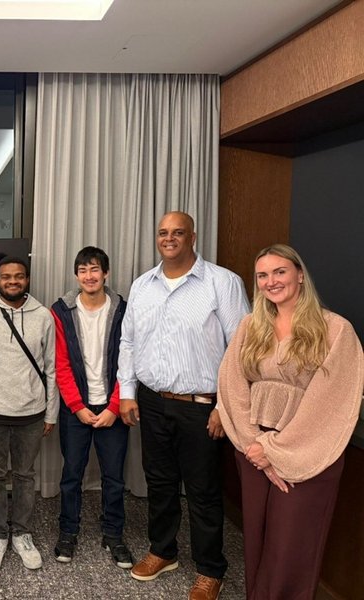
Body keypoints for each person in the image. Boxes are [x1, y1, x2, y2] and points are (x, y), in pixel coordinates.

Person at [217, 244, 363, 600]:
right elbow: (231, 383)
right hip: (252, 448)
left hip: (309, 450)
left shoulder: (335, 330)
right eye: (262, 275)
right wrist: (255, 444)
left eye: (279, 271)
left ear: (299, 275)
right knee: (257, 540)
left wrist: (276, 450)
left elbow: (331, 401)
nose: (271, 281)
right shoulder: (251, 326)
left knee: (290, 548)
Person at [117, 212, 249, 600]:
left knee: (203, 489)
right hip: (152, 400)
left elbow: (242, 349)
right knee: (159, 482)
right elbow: (128, 342)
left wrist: (225, 406)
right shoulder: (143, 285)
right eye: (163, 232)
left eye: (178, 232)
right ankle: (163, 551)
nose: (169, 238)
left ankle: (210, 569)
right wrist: (127, 392)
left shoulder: (222, 283)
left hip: (201, 405)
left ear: (192, 237)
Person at [0, 256, 58, 572]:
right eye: (6, 277)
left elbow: (52, 368)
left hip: (31, 411)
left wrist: (51, 413)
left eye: (19, 276)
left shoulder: (43, 315)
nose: (12, 281)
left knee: (24, 475)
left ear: (27, 279)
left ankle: (21, 533)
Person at [50, 246, 132, 567]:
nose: (89, 276)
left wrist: (114, 406)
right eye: (83, 270)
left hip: (113, 407)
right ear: (76, 275)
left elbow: (129, 361)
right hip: (76, 408)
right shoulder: (62, 310)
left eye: (95, 269)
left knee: (114, 477)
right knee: (71, 474)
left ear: (106, 273)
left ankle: (114, 533)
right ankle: (68, 531)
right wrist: (76, 405)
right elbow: (61, 364)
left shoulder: (123, 310)